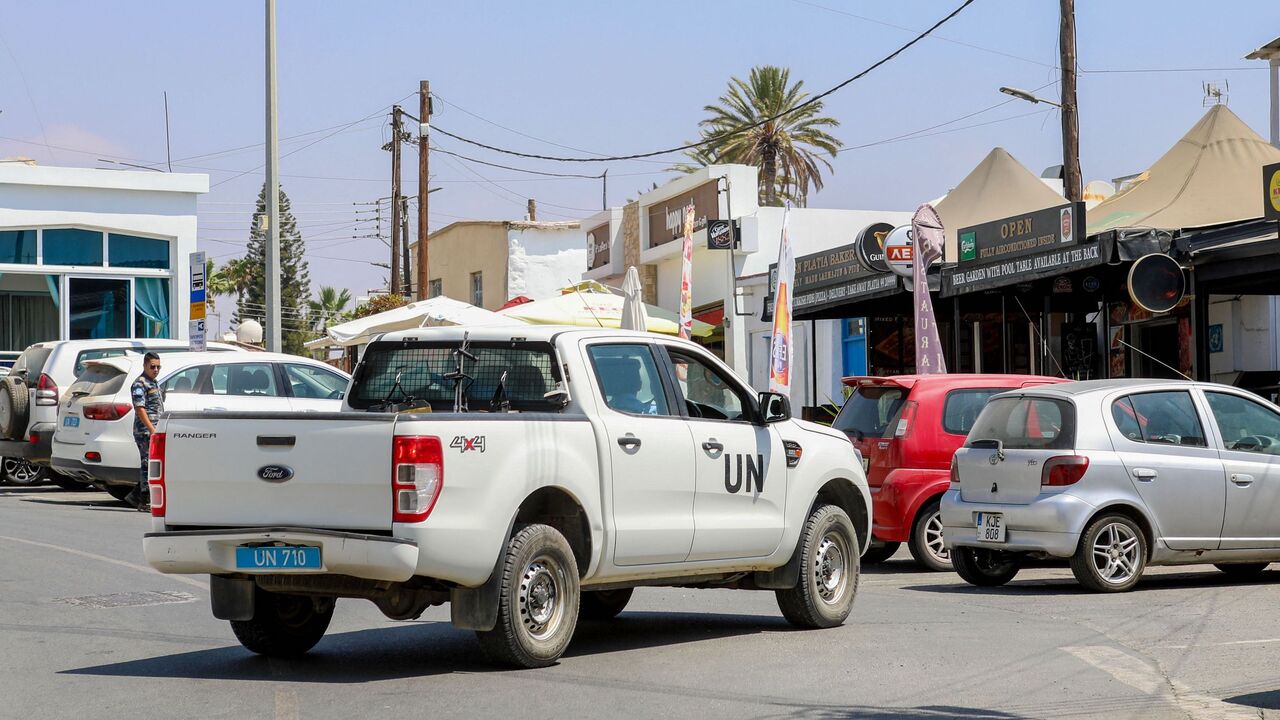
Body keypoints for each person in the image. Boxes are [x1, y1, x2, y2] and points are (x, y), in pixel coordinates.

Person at [125, 352, 164, 511]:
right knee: (147, 464)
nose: (155, 370)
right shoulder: (140, 384)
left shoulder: (153, 382)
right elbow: (140, 409)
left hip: (154, 428)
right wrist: (152, 430)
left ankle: (134, 496)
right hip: (145, 431)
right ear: (145, 366)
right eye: (152, 366)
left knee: (151, 463)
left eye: (158, 367)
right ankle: (143, 500)